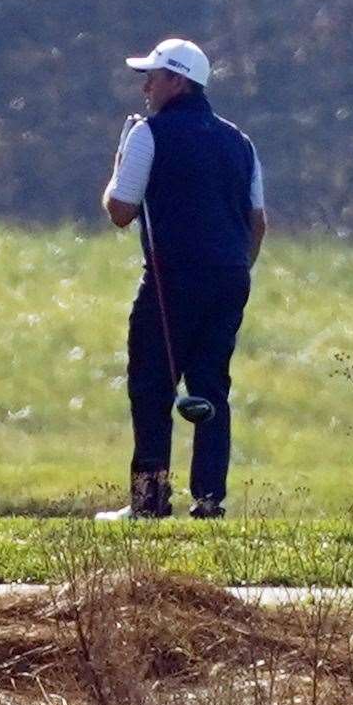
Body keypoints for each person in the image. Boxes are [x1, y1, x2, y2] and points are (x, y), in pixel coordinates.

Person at [97, 38, 266, 521]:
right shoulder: (241, 141)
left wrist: (120, 159)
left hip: (173, 280)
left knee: (152, 384)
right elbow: (258, 221)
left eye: (153, 76)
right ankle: (209, 500)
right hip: (231, 277)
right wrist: (237, 269)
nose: (146, 85)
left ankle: (149, 502)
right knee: (211, 386)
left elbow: (121, 210)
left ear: (178, 81)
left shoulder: (149, 134)